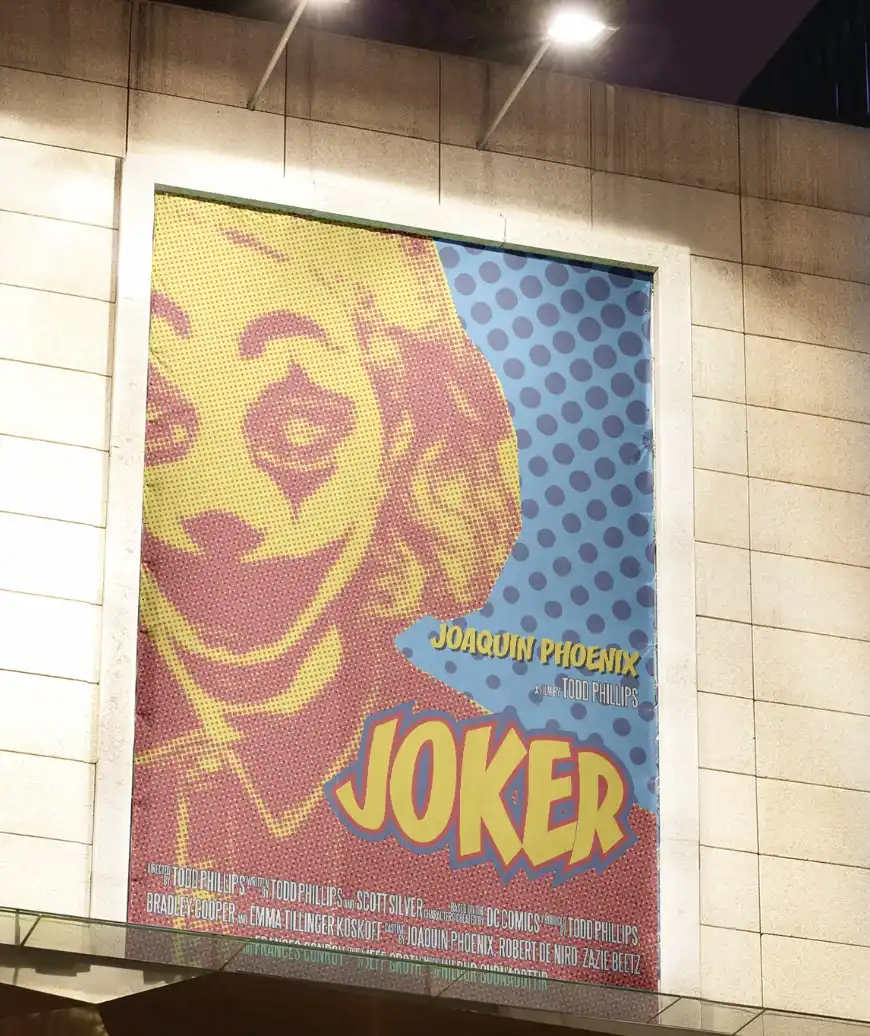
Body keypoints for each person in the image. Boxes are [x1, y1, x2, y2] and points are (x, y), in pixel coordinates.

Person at [128, 196, 657, 988]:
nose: (221, 509)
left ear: (401, 439)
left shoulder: (580, 851)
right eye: (163, 417)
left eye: (300, 425)